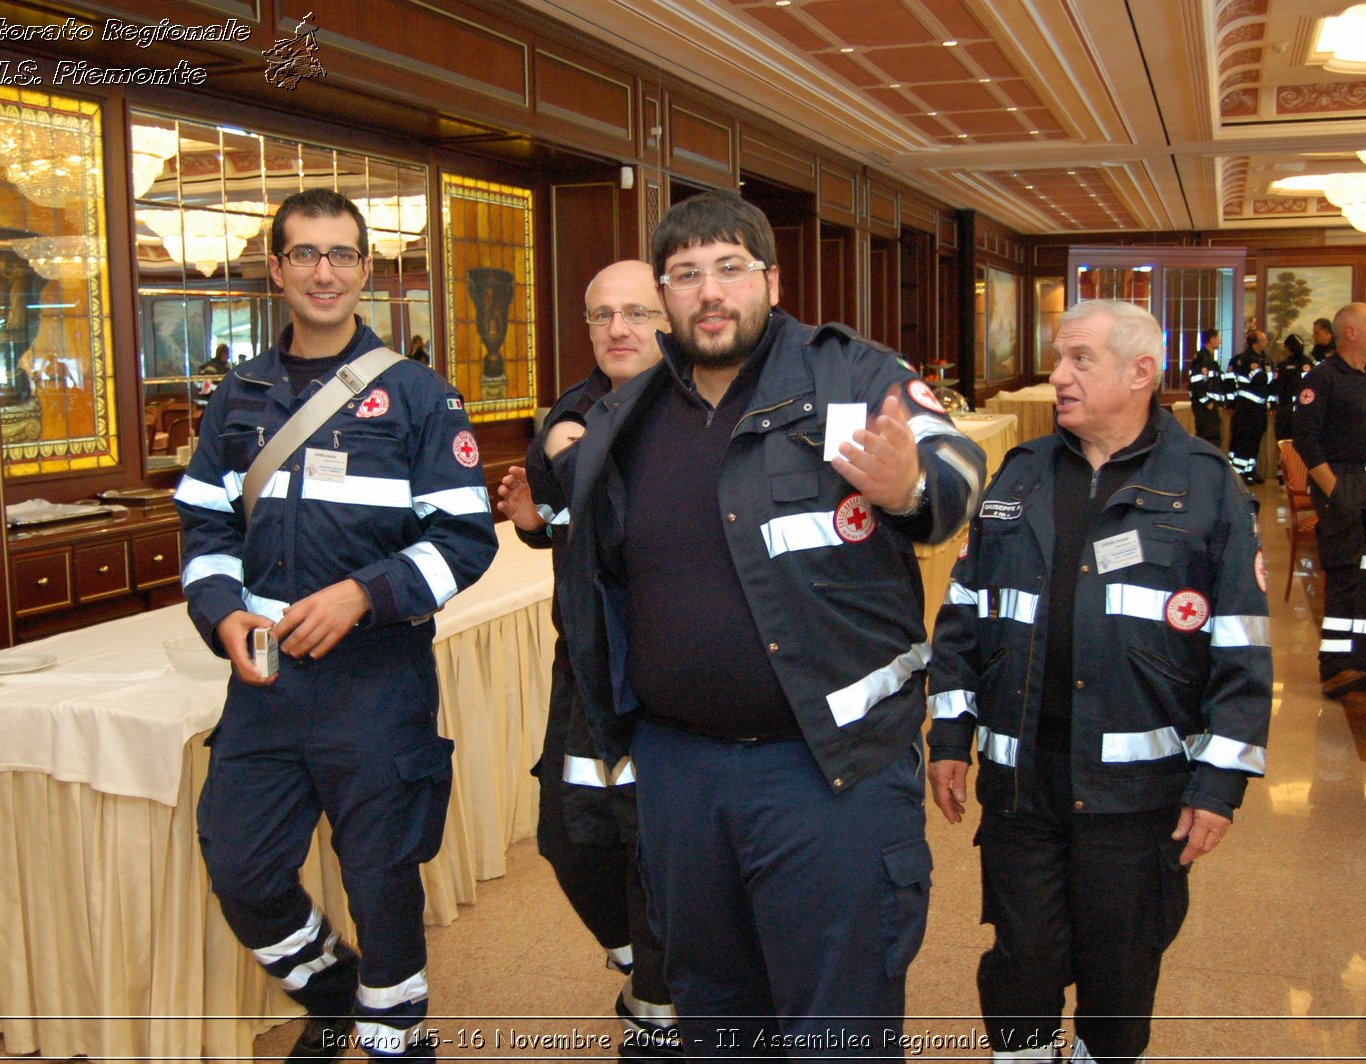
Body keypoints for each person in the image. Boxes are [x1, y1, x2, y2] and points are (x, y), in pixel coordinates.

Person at [560, 189, 986, 1056]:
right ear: (665, 295)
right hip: (680, 773)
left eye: (729, 269)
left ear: (771, 280)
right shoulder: (632, 413)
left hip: (829, 772)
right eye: (685, 275)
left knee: (838, 1026)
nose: (709, 292)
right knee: (716, 1018)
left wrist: (908, 487)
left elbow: (956, 468)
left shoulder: (851, 375)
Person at [175, 188, 498, 1061]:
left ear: (365, 270)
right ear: (276, 268)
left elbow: (465, 542)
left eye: (342, 255)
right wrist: (222, 614)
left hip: (376, 682)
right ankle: (331, 991)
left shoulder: (421, 397)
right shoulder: (236, 395)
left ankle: (398, 1040)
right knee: (239, 867)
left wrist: (366, 594)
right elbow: (205, 528)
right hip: (266, 683)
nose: (325, 272)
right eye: (305, 254)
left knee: (381, 881)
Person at [927, 299, 1272, 1064]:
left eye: (1081, 359)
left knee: (1120, 975)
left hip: (1138, 797)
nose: (1059, 376)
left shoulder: (1207, 486)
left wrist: (1219, 784)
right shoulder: (1018, 477)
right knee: (1021, 964)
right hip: (1023, 784)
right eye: (1058, 358)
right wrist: (950, 734)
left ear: (1141, 372)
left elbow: (1242, 648)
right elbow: (963, 617)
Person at [494, 261, 679, 1057]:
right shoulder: (567, 411)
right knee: (570, 841)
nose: (619, 330)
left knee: (656, 849)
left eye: (637, 313)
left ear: (670, 319)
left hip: (671, 672)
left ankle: (662, 1009)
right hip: (584, 670)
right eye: (601, 315)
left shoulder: (693, 412)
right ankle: (653, 965)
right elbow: (561, 528)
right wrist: (536, 517)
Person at [1292, 302, 1366, 699]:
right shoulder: (1322, 379)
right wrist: (1334, 489)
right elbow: (1306, 440)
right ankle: (1335, 666)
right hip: (1342, 484)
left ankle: (1363, 660)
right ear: (1351, 332)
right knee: (1344, 573)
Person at [1224, 329, 1272, 483]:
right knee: (1242, 441)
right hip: (1245, 408)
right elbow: (1258, 379)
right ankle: (1237, 473)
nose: (1266, 343)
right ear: (1255, 343)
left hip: (1259, 409)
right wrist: (1230, 404)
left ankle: (1250, 471)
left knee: (1254, 441)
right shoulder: (1245, 360)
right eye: (1263, 340)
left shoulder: (1264, 359)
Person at [1273, 333, 1314, 445]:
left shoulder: (1283, 366)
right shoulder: (1308, 364)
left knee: (1284, 443)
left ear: (1289, 348)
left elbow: (1275, 387)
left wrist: (1273, 405)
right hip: (1301, 410)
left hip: (1288, 410)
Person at [1187, 327, 1223, 445]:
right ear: (1212, 339)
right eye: (1218, 338)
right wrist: (1207, 402)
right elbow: (1196, 382)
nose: (1220, 341)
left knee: (1214, 438)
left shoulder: (1210, 359)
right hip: (1204, 407)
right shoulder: (1201, 358)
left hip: (1211, 406)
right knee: (1207, 439)